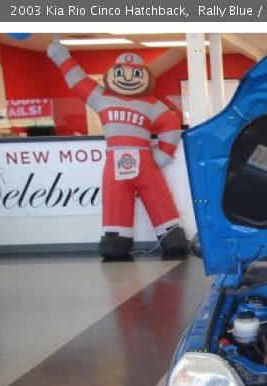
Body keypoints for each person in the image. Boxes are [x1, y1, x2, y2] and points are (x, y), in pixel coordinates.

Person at [47, 38, 188, 258]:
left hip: (143, 162)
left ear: (146, 77)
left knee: (157, 195)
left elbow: (171, 124)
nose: (129, 78)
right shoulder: (102, 97)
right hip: (117, 163)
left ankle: (171, 235)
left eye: (136, 74)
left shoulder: (150, 104)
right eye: (122, 73)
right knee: (116, 198)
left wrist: (164, 153)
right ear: (113, 73)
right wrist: (60, 55)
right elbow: (78, 80)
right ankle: (116, 238)